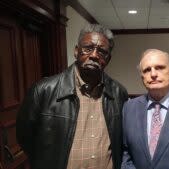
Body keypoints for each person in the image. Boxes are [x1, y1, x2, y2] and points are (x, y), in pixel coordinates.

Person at [16, 24, 128, 169]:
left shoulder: (119, 93)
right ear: (76, 51)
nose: (94, 55)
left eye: (102, 51)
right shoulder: (43, 90)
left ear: (108, 59)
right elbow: (25, 138)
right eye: (88, 48)